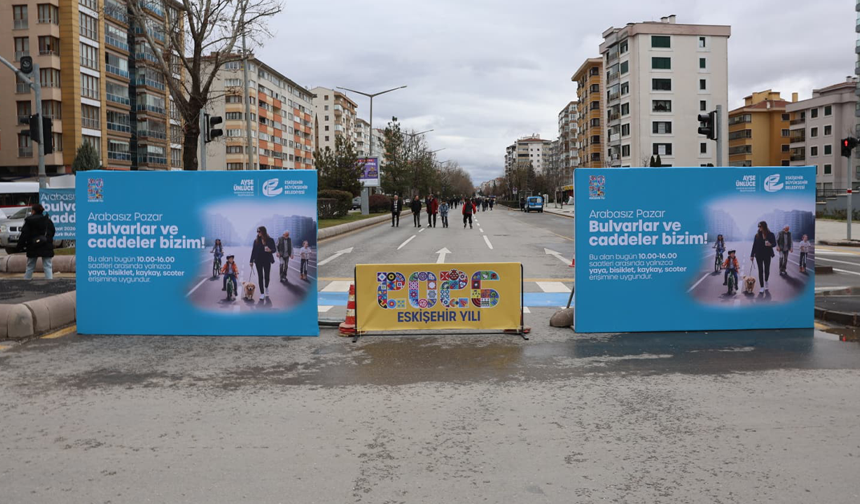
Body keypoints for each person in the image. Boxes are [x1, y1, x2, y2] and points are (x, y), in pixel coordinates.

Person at [16, 203, 55, 279]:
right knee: (47, 265)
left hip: (32, 245)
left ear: (33, 211)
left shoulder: (29, 221)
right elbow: (52, 232)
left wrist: (19, 246)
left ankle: (26, 281)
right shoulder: (47, 220)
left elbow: (24, 235)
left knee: (30, 266)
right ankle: (50, 282)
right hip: (46, 245)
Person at [250, 226, 276, 301]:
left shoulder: (270, 240)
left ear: (263, 231)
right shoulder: (256, 241)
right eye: (257, 231)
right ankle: (262, 293)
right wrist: (251, 261)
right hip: (258, 261)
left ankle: (266, 287)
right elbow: (253, 251)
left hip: (267, 260)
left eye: (259, 231)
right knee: (260, 277)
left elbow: (274, 250)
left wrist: (270, 250)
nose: (258, 233)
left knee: (267, 276)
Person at [750, 220, 776, 294]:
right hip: (758, 255)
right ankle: (761, 286)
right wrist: (752, 255)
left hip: (767, 254)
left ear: (764, 227)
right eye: (758, 227)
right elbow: (754, 245)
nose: (759, 228)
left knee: (767, 270)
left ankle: (766, 281)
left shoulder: (771, 234)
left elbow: (774, 244)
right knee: (760, 271)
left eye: (760, 226)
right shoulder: (757, 235)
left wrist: (770, 244)